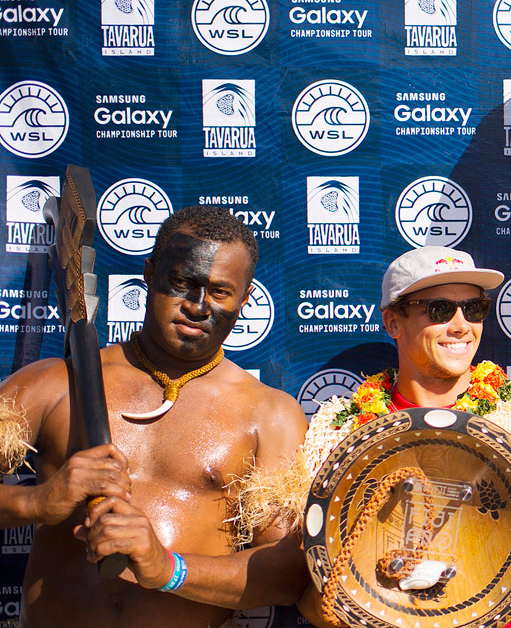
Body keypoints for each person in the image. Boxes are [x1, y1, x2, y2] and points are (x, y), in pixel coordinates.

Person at [0, 206, 309, 627]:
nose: (199, 307)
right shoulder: (54, 384)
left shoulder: (270, 416)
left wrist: (167, 568)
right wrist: (36, 501)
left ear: (246, 297)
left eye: (219, 292)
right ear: (149, 273)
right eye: (183, 283)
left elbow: (287, 575)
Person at [296, 246, 511, 627]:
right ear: (392, 322)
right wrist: (381, 592)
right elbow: (307, 598)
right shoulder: (340, 431)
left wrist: (469, 580)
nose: (462, 325)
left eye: (474, 308)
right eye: (439, 310)